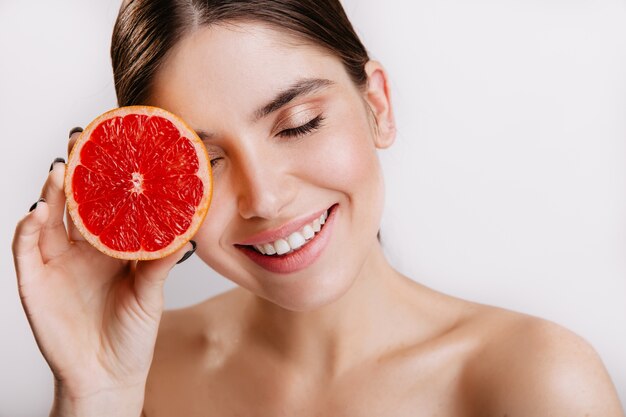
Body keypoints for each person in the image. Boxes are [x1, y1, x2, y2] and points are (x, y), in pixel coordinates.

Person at [12, 1, 624, 416]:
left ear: (377, 105)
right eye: (207, 161)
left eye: (299, 124)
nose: (266, 198)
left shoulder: (535, 379)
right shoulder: (140, 374)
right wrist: (95, 395)